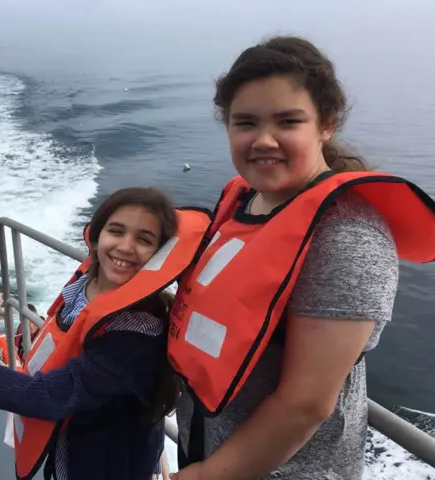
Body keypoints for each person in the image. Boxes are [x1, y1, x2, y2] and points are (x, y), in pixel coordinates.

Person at [168, 36, 435, 480]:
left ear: (325, 123)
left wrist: (205, 475)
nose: (263, 140)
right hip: (206, 444)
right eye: (245, 122)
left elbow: (306, 402)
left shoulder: (346, 236)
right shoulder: (243, 200)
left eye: (288, 121)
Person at [0, 187, 211, 480]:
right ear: (96, 238)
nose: (125, 246)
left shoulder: (135, 335)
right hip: (68, 447)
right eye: (116, 231)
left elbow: (49, 397)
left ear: (160, 256)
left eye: (144, 239)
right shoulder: (86, 287)